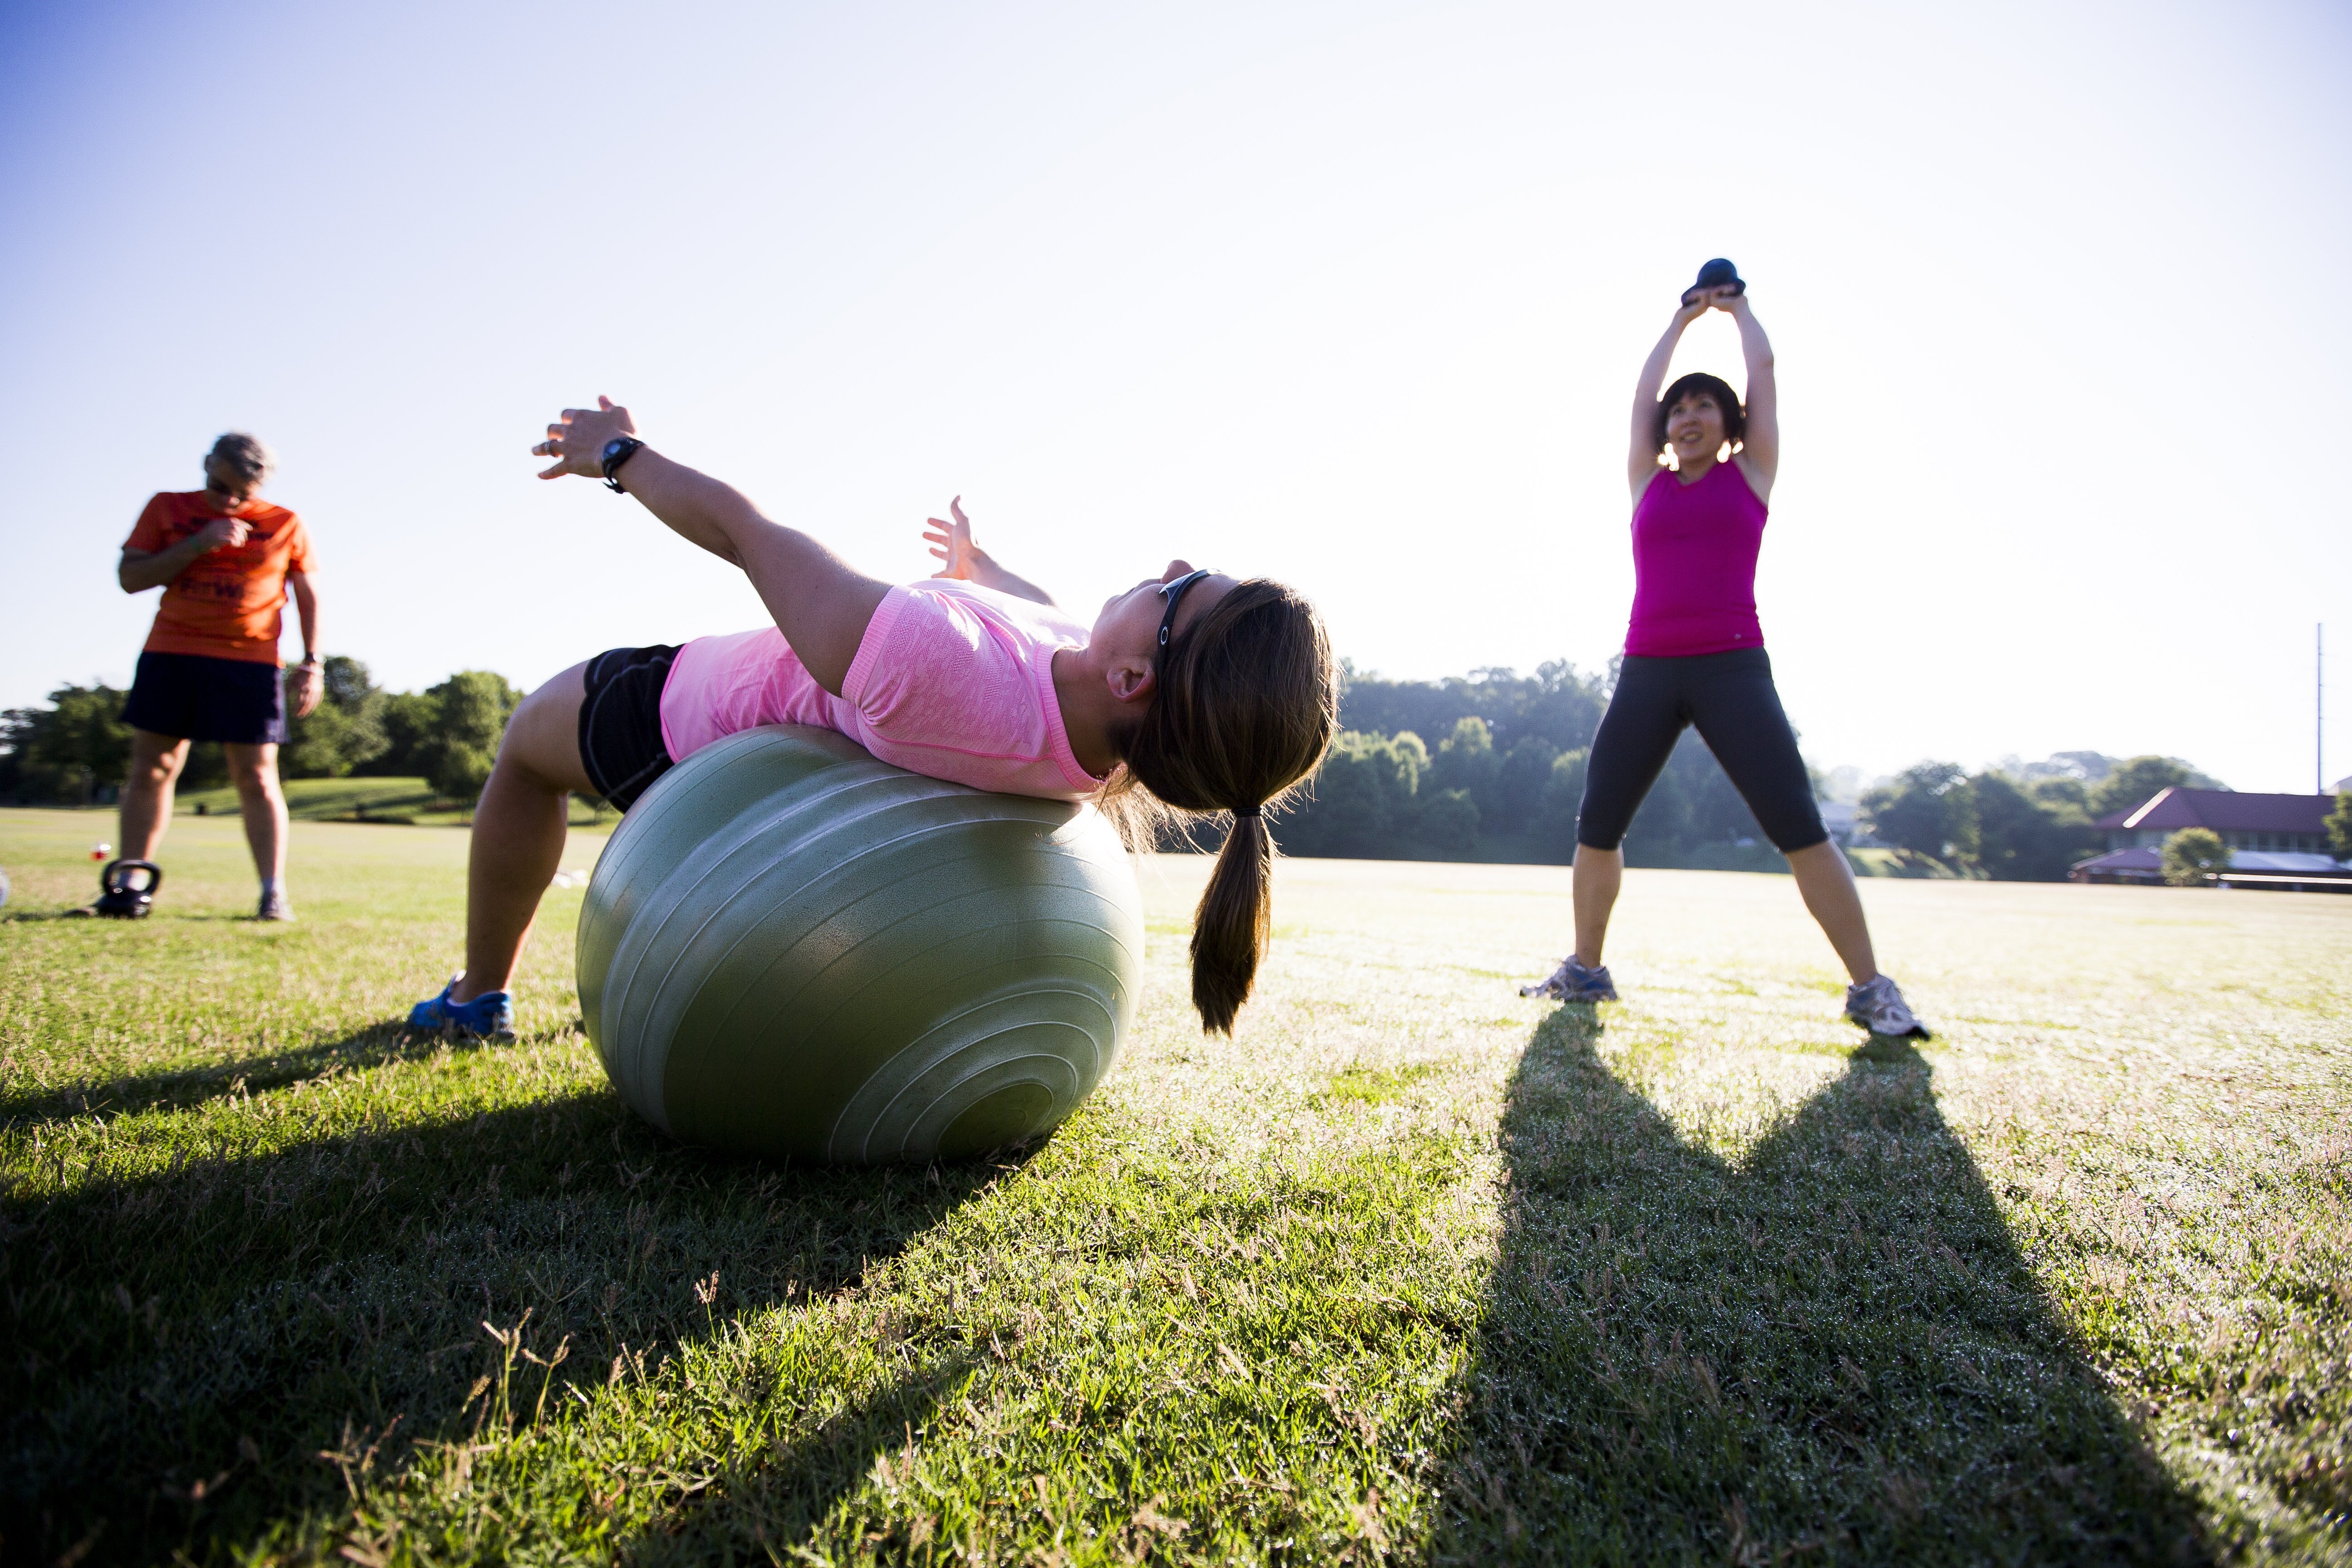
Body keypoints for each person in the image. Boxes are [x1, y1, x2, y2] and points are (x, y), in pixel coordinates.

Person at [408, 397, 1336, 1039]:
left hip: (690, 721)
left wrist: (621, 457)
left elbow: (746, 533)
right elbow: (1049, 619)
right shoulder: (1102, 742)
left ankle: (479, 995)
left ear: (1137, 674)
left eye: (1182, 588)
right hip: (739, 721)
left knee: (524, 747)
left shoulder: (931, 664)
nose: (1170, 562)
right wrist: (985, 568)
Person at [1521, 267, 1927, 1036]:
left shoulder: (1749, 476)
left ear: (1728, 422)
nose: (1683, 415)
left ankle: (1870, 989)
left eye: (1701, 403)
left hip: (1731, 667)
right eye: (1678, 407)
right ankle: (1583, 970)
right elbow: (1639, 397)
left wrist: (1734, 312)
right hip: (1645, 669)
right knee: (1595, 822)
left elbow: (1764, 374)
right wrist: (1677, 323)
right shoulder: (1646, 483)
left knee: (1798, 825)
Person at [92, 433, 323, 921]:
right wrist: (199, 543)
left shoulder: (284, 523)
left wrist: (312, 662)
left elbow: (308, 594)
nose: (233, 502)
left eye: (244, 494)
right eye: (222, 489)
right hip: (173, 652)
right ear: (206, 466)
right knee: (152, 768)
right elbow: (131, 578)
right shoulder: (168, 509)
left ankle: (272, 893)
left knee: (257, 777)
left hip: (251, 662)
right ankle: (133, 884)